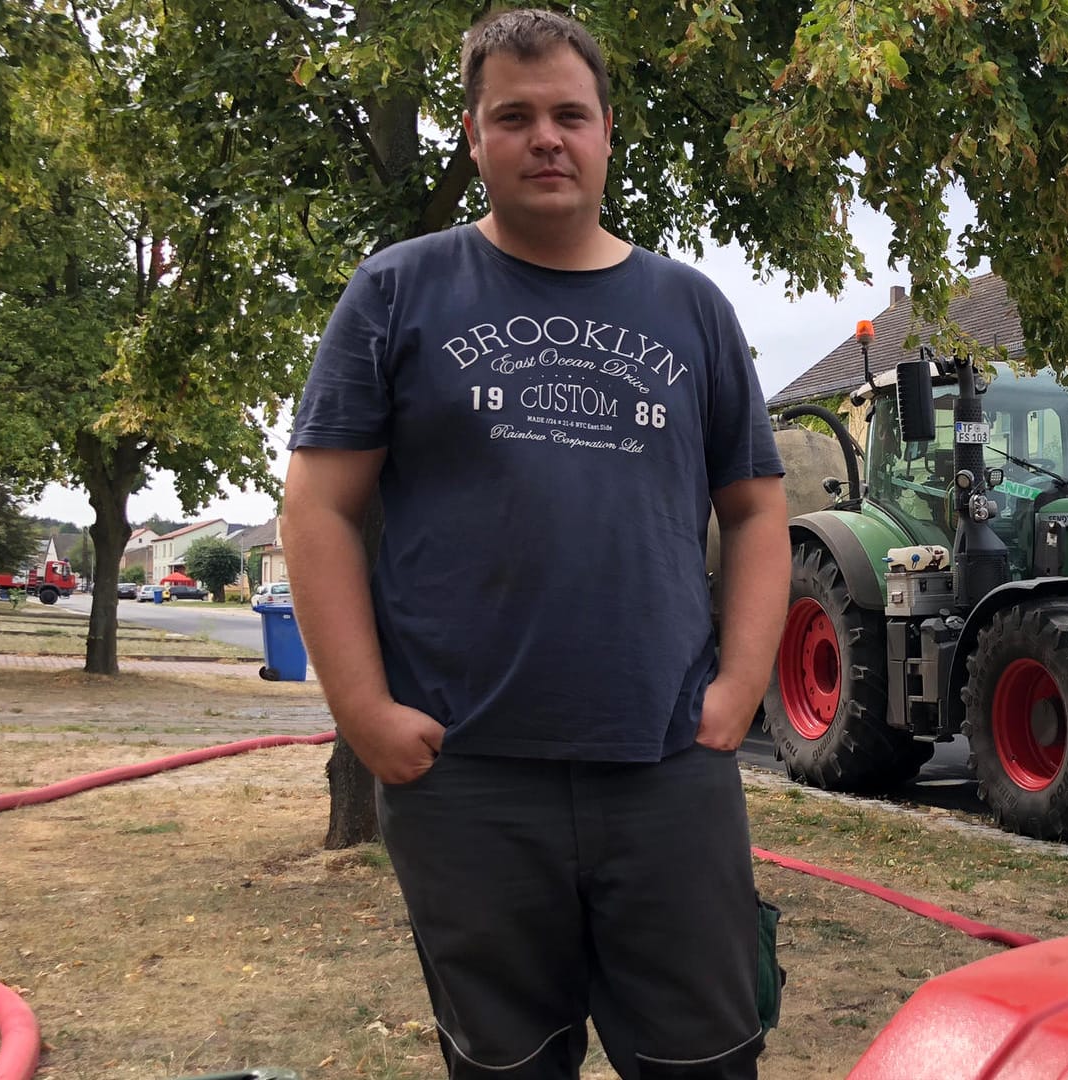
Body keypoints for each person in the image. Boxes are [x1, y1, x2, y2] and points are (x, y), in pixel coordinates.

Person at [280, 9, 788, 1078]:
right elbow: (317, 508)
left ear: (608, 132)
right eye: (514, 116)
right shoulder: (396, 293)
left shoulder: (689, 308)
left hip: (664, 766)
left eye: (569, 114)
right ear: (473, 136)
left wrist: (742, 682)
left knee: (707, 1059)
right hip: (465, 776)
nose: (545, 137)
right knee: (505, 1065)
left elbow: (754, 510)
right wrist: (363, 712)